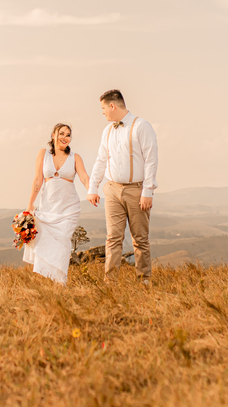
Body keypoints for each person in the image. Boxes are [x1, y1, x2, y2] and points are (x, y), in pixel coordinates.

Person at [86, 89, 158, 284]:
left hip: (137, 190)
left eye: (103, 108)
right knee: (113, 238)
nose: (102, 113)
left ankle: (144, 281)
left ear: (112, 105)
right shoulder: (107, 131)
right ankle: (110, 283)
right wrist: (93, 187)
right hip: (112, 189)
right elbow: (101, 160)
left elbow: (151, 160)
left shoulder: (142, 126)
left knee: (140, 239)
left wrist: (148, 191)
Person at [23, 123, 91, 284]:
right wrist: (30, 205)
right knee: (46, 242)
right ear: (53, 135)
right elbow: (38, 180)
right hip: (48, 206)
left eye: (68, 135)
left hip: (69, 208)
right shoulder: (43, 154)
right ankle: (47, 280)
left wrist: (91, 191)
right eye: (61, 133)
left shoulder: (75, 157)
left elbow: (84, 177)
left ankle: (60, 281)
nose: (65, 138)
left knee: (62, 242)